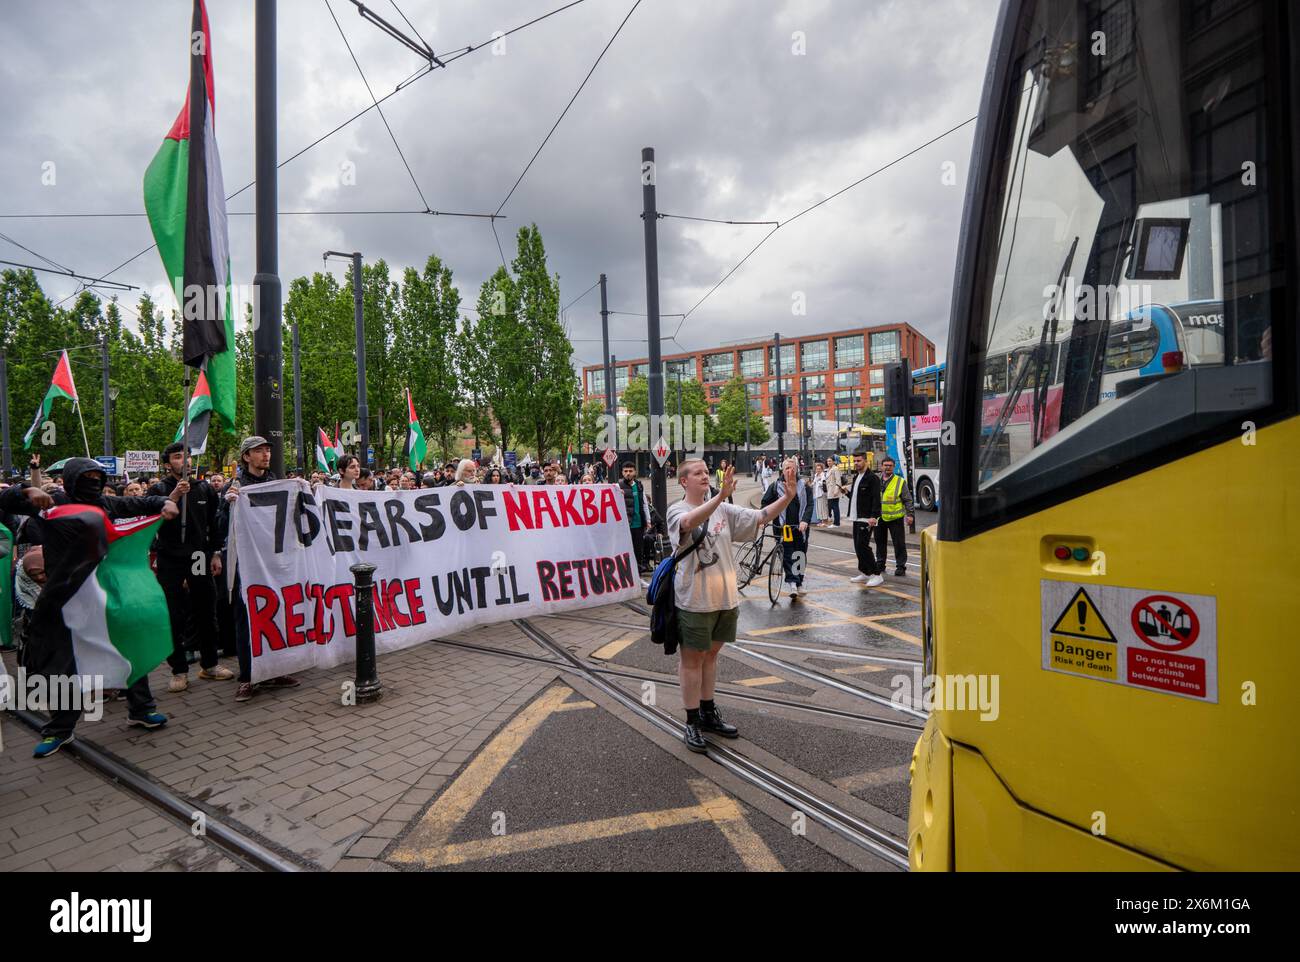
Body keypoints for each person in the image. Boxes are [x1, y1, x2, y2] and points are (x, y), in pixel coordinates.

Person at [3, 459, 180, 757]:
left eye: (99, 476)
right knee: (64, 662)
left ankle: (141, 709)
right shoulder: (52, 501)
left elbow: (142, 503)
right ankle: (59, 730)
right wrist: (26, 490)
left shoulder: (106, 504)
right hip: (64, 597)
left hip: (104, 595)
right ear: (72, 479)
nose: (94, 481)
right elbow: (5, 500)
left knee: (127, 648)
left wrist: (165, 502)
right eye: (87, 476)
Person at [668, 460, 797, 752]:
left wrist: (787, 497)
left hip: (725, 599)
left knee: (711, 656)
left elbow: (760, 516)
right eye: (697, 473)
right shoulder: (678, 510)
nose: (704, 476)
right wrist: (718, 496)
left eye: (705, 472)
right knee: (692, 660)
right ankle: (691, 721)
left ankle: (708, 711)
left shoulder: (725, 511)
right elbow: (688, 525)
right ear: (683, 481)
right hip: (694, 600)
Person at [150, 442, 236, 693]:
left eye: (187, 456)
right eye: (178, 457)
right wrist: (174, 496)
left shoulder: (205, 489)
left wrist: (216, 554)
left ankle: (210, 664)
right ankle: (178, 670)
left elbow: (214, 524)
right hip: (171, 558)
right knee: (174, 614)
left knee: (205, 609)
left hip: (198, 556)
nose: (184, 461)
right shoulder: (159, 489)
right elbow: (152, 519)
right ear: (168, 464)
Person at [220, 437, 300, 702]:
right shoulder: (235, 486)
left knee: (276, 614)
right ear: (246, 456)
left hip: (274, 561)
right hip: (248, 564)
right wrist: (226, 505)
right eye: (259, 451)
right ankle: (247, 677)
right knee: (247, 619)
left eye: (267, 450)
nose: (265, 455)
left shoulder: (275, 481)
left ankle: (277, 669)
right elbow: (221, 528)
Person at [760, 457, 814, 599]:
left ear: (796, 470)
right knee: (787, 555)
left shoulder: (804, 486)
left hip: (800, 527)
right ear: (782, 471)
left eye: (792, 468)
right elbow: (765, 504)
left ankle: (799, 581)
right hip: (783, 527)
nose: (790, 471)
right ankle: (792, 584)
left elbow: (809, 505)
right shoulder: (775, 486)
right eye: (787, 468)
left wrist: (805, 520)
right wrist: (763, 518)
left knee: (800, 555)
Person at [845, 451, 883, 587]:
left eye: (859, 461)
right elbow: (857, 498)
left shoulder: (872, 478)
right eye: (854, 461)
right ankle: (865, 572)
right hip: (856, 516)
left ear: (866, 461)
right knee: (857, 546)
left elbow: (876, 499)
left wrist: (874, 516)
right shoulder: (857, 477)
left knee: (863, 546)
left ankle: (876, 574)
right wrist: (847, 493)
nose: (856, 463)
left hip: (867, 518)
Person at [874, 457, 914, 577]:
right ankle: (880, 564)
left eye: (890, 465)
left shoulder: (900, 481)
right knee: (880, 542)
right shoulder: (876, 481)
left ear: (894, 467)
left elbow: (907, 500)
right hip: (879, 517)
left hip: (895, 518)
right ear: (881, 466)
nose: (887, 467)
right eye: (885, 465)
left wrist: (910, 515)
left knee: (899, 543)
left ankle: (900, 566)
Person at [617, 462, 651, 574]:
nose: (628, 473)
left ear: (635, 472)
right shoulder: (618, 486)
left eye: (630, 471)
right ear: (622, 472)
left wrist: (648, 520)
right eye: (625, 471)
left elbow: (644, 503)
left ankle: (638, 576)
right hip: (625, 525)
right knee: (625, 551)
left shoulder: (639, 485)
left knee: (638, 551)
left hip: (639, 524)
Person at [825, 456, 843, 526]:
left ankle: (837, 523)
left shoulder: (835, 469)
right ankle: (832, 520)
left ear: (833, 462)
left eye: (830, 461)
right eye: (828, 461)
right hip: (829, 490)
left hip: (834, 490)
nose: (828, 462)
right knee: (830, 506)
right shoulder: (828, 469)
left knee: (835, 507)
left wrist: (836, 490)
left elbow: (838, 480)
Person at [811, 462, 828, 526]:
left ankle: (825, 521)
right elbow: (813, 483)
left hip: (822, 493)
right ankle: (821, 521)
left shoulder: (823, 475)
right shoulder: (816, 475)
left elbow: (823, 484)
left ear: (822, 469)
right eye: (817, 469)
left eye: (819, 469)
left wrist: (818, 481)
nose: (818, 470)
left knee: (823, 507)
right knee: (818, 508)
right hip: (817, 493)